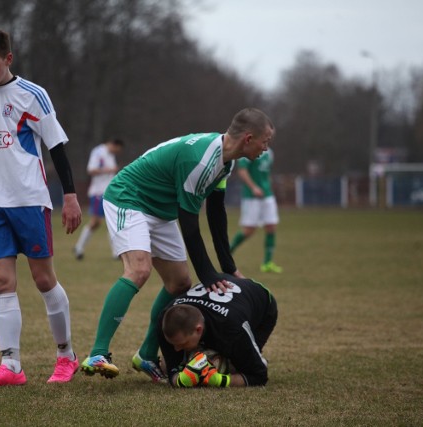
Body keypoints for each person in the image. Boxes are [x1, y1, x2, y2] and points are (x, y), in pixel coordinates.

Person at [80, 108, 275, 382]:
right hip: (130, 197)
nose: (266, 148)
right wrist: (208, 275)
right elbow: (190, 223)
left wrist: (228, 268)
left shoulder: (225, 163)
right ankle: (98, 353)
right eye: (265, 141)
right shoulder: (200, 160)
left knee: (180, 283)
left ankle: (146, 355)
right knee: (138, 271)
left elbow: (216, 214)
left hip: (161, 211)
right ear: (248, 138)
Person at [0, 28, 82, 387]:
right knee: (0, 282)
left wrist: (69, 196)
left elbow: (57, 147)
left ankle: (66, 356)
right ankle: (11, 366)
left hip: (29, 201)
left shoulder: (32, 95)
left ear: (8, 59)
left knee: (43, 279)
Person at [158, 276, 277, 388]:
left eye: (182, 344)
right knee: (165, 364)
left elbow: (259, 377)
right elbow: (171, 370)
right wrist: (179, 380)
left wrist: (218, 380)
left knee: (234, 366)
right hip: (222, 303)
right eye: (173, 343)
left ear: (198, 330)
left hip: (262, 304)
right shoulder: (165, 319)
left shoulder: (233, 331)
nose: (176, 349)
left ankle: (252, 357)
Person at [230, 149, 283, 273]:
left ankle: (267, 263)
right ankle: (228, 252)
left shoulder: (270, 152)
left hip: (267, 195)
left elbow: (266, 173)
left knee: (271, 226)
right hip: (251, 197)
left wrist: (268, 186)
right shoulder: (248, 151)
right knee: (248, 231)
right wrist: (254, 187)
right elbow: (242, 171)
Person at [73, 138, 124, 260]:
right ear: (113, 144)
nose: (116, 153)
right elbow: (91, 170)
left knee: (112, 221)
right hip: (98, 192)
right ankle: (79, 247)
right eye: (117, 150)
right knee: (96, 222)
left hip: (109, 193)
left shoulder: (111, 155)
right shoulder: (98, 152)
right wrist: (108, 170)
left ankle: (116, 252)